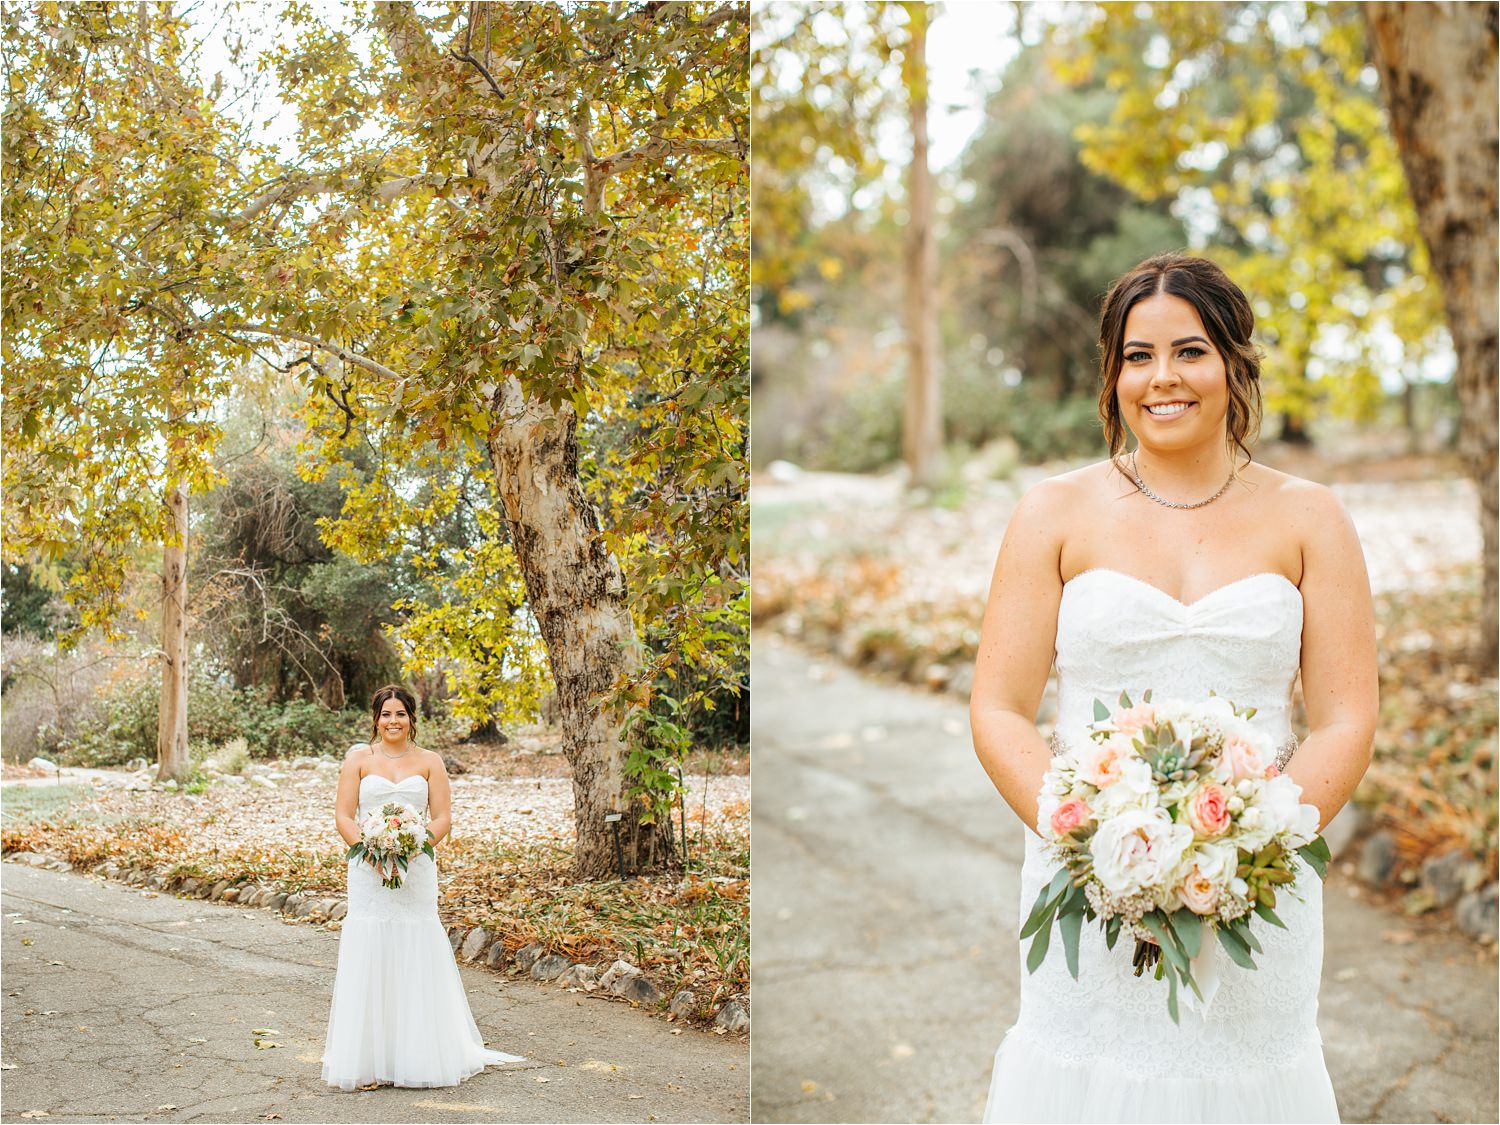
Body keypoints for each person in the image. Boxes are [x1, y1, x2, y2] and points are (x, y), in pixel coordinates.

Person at [969, 253, 1377, 1124]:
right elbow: (999, 706)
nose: (1161, 379)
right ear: (1113, 373)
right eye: (1136, 355)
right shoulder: (1053, 511)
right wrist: (1088, 839)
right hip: (1087, 882)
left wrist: (1242, 851)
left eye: (1189, 351)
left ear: (1234, 361)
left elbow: (1345, 719)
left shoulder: (1312, 517)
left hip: (1252, 890)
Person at [322, 684, 523, 1090]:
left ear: (413, 718)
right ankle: (369, 1056)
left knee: (415, 944)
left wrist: (414, 847)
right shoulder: (358, 761)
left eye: (400, 714)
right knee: (372, 945)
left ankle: (419, 1053)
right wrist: (371, 850)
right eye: (385, 714)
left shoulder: (430, 761)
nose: (392, 721)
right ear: (375, 719)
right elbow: (344, 816)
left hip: (416, 869)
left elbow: (442, 817)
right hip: (368, 873)